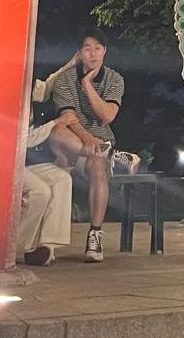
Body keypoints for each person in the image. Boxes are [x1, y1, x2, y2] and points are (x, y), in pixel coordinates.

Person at [45, 27, 124, 263]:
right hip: (70, 144)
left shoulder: (114, 80)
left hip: (95, 151)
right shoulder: (64, 80)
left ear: (105, 51)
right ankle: (111, 153)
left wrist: (88, 84)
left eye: (98, 48)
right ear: (79, 52)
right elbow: (68, 118)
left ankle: (95, 234)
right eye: (87, 49)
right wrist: (89, 140)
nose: (93, 54)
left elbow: (108, 116)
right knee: (57, 130)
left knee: (99, 165)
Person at [17, 113, 72, 268]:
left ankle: (46, 245)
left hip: (30, 163)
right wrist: (55, 123)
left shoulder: (43, 101)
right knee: (41, 191)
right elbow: (24, 139)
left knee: (62, 179)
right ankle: (19, 245)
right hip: (6, 159)